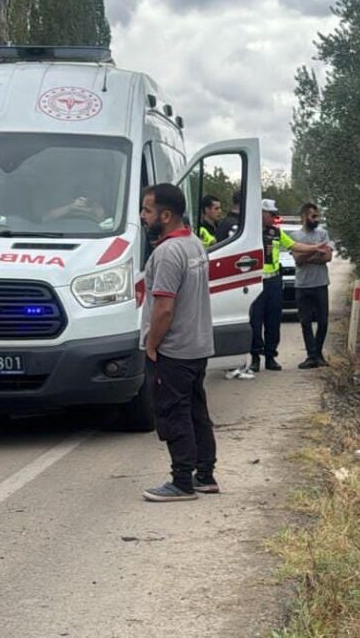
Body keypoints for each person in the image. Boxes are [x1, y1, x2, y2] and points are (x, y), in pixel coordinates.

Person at [139, 183, 218, 501]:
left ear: (166, 215)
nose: (142, 216)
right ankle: (205, 475)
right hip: (197, 345)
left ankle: (182, 481)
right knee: (196, 410)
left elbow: (164, 308)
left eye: (147, 210)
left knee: (174, 412)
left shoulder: (167, 253)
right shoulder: (194, 244)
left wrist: (152, 344)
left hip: (173, 349)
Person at [248, 199, 327, 372]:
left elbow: (295, 246)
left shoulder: (276, 232)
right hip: (256, 282)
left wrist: (315, 247)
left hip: (274, 280)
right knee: (255, 321)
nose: (274, 218)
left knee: (273, 321)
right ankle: (255, 357)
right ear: (261, 214)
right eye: (272, 214)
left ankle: (270, 357)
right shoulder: (249, 234)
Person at [289, 203, 333, 369]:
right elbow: (297, 259)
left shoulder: (323, 234)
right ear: (304, 217)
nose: (316, 219)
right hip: (302, 284)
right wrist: (315, 251)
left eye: (317, 216)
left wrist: (306, 254)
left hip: (320, 283)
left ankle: (318, 353)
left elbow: (327, 257)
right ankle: (311, 355)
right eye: (313, 216)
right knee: (305, 322)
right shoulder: (295, 236)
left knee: (323, 321)